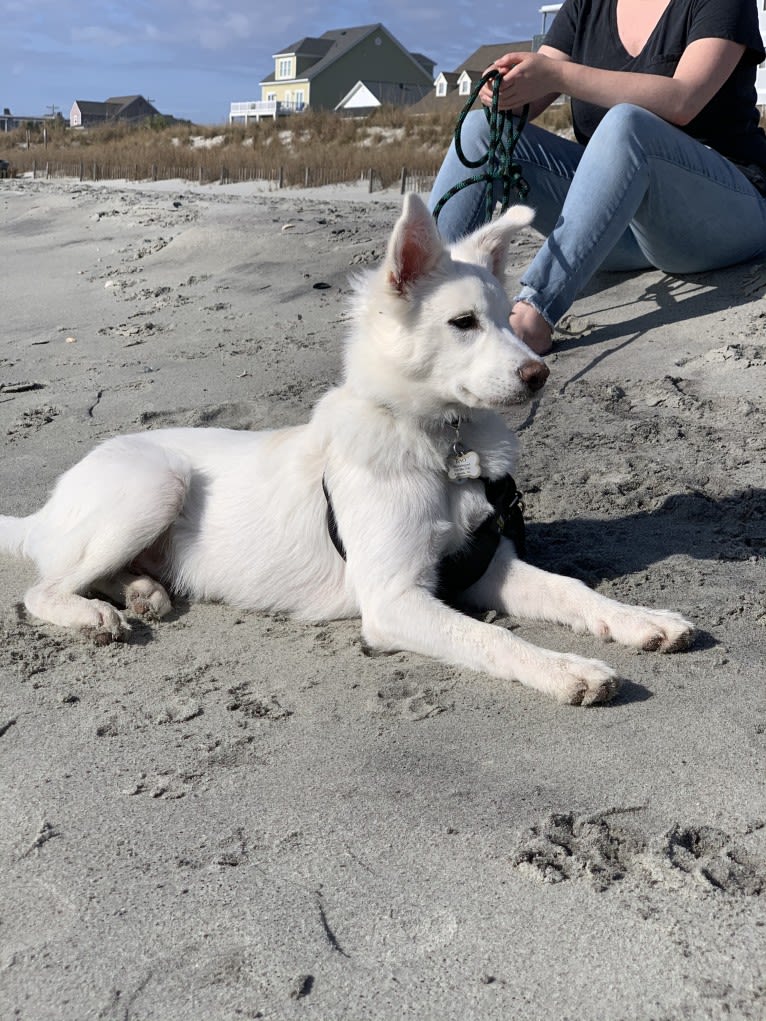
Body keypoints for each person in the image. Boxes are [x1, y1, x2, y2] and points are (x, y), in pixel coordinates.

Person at [428, 0, 766, 354]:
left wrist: (558, 74)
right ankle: (431, 291)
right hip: (622, 229)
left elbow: (684, 99)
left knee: (626, 124)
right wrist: (504, 89)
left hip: (720, 215)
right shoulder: (586, 5)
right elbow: (533, 90)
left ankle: (533, 314)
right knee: (483, 128)